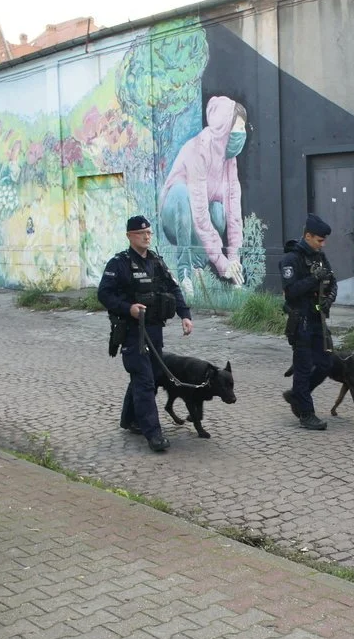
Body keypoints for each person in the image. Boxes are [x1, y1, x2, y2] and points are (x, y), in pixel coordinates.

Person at [97, 215, 194, 453]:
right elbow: (104, 294)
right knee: (145, 381)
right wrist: (127, 308)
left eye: (149, 232)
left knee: (147, 377)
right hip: (132, 333)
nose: (147, 236)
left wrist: (185, 315)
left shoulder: (156, 262)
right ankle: (153, 433)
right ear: (130, 236)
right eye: (142, 233)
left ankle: (130, 419)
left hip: (154, 331)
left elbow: (173, 288)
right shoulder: (119, 264)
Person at [159, 96, 248, 299]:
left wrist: (233, 260)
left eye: (243, 129)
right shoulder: (199, 149)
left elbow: (234, 212)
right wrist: (221, 263)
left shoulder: (229, 159)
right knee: (181, 193)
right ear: (224, 126)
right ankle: (184, 272)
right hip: (175, 217)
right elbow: (199, 212)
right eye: (239, 128)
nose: (242, 134)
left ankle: (199, 264)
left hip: (197, 223)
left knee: (218, 209)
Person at [280, 213, 338, 431]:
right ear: (308, 236)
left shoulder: (319, 257)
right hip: (301, 321)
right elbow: (291, 291)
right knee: (303, 368)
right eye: (320, 240)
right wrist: (314, 278)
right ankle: (306, 413)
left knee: (326, 363)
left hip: (318, 320)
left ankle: (298, 395)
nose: (323, 244)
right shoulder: (291, 259)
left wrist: (329, 299)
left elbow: (332, 281)